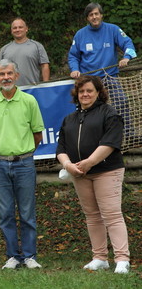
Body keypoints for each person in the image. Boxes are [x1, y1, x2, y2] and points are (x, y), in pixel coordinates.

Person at [56, 75, 130, 274]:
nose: (85, 94)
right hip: (80, 174)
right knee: (92, 217)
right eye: (81, 91)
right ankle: (100, 257)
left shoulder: (110, 113)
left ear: (98, 93)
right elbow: (60, 148)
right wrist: (68, 165)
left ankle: (122, 259)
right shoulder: (69, 119)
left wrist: (89, 162)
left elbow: (110, 143)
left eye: (89, 90)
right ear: (76, 94)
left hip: (107, 171)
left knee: (112, 215)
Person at [0, 59, 45, 270]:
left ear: (16, 76)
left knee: (27, 212)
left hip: (24, 163)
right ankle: (12, 256)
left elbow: (37, 134)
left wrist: (22, 152)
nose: (6, 77)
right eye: (2, 74)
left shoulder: (29, 101)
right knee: (6, 213)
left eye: (10, 73)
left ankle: (29, 256)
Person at [68, 2, 137, 79]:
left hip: (111, 77)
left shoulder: (113, 29)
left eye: (96, 14)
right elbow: (73, 56)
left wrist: (126, 57)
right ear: (87, 18)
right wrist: (74, 69)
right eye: (91, 15)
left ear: (101, 15)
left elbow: (128, 43)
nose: (94, 17)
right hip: (88, 79)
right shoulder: (80, 34)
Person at [0, 18, 50, 86]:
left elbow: (44, 66)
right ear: (11, 31)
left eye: (20, 27)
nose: (17, 30)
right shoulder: (4, 49)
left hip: (32, 89)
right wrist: (0, 91)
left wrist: (46, 86)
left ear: (26, 29)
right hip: (11, 91)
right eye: (15, 28)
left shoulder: (37, 46)